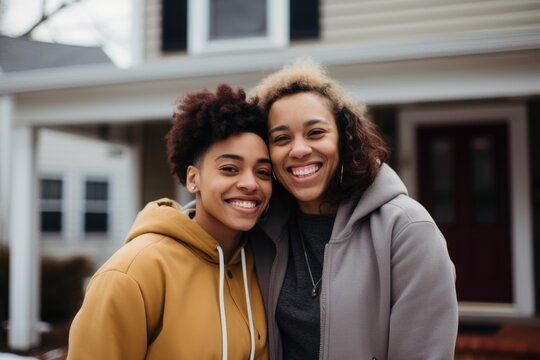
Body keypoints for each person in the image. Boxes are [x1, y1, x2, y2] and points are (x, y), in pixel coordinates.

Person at [249, 58, 458, 360]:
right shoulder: (262, 227)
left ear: (345, 139)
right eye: (281, 138)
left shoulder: (408, 230)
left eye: (315, 133)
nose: (299, 150)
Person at [67, 84, 271, 360]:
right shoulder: (131, 273)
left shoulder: (262, 264)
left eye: (263, 172)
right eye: (229, 169)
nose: (250, 183)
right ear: (192, 178)